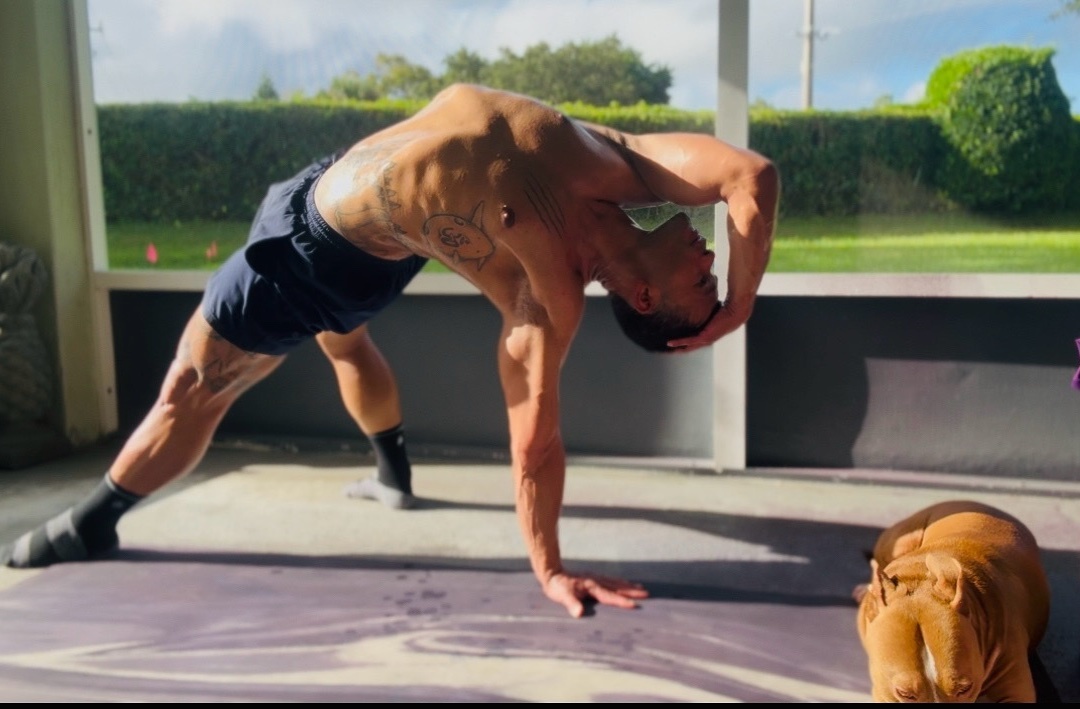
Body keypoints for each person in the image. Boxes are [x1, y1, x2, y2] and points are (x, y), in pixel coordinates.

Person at [0, 84, 779, 618]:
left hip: (317, 258)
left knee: (194, 384)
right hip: (352, 204)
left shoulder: (550, 293)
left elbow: (535, 443)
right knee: (347, 347)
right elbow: (751, 176)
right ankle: (392, 474)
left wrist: (548, 567)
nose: (715, 263)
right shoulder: (627, 163)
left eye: (705, 286)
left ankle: (94, 518)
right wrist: (734, 313)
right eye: (719, 277)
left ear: (643, 299)